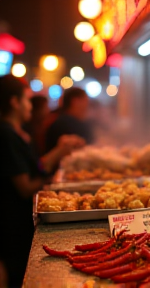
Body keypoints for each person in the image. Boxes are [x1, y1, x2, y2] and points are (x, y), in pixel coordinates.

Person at [0, 75, 85, 288]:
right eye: (27, 99)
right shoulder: (5, 134)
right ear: (14, 102)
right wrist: (51, 183)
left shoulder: (19, 133)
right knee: (19, 274)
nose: (31, 105)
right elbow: (25, 186)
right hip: (13, 223)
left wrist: (59, 150)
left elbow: (35, 168)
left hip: (23, 220)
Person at [45, 87, 93, 152]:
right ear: (75, 101)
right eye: (86, 101)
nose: (87, 107)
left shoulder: (58, 120)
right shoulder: (71, 125)